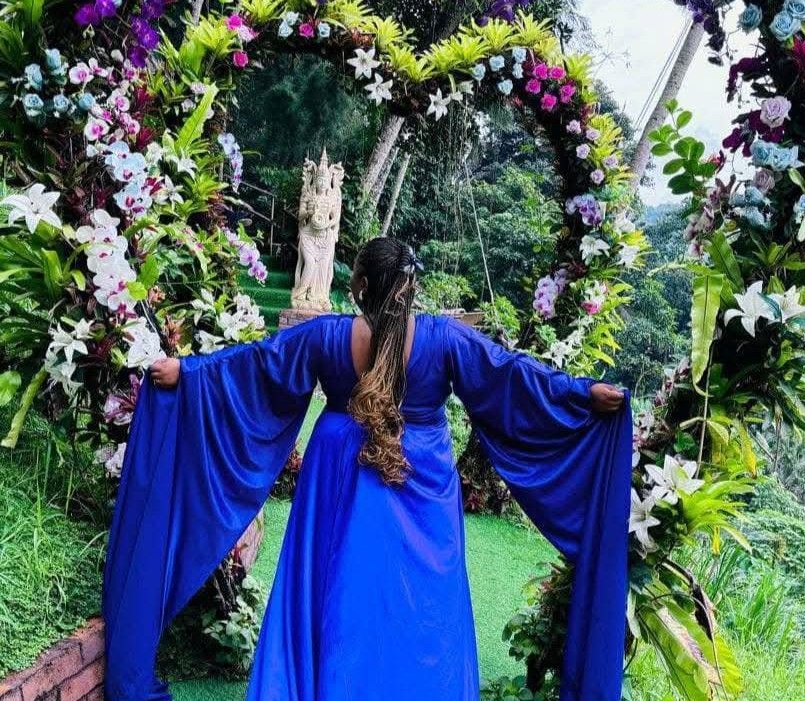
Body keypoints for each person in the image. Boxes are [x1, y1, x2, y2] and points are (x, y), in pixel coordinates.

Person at [102, 237, 633, 701]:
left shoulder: (326, 335)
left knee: (332, 584)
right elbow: (514, 377)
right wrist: (583, 394)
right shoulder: (446, 339)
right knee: (425, 597)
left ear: (357, 286)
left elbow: (254, 365)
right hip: (419, 469)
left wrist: (186, 372)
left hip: (339, 461)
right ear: (411, 286)